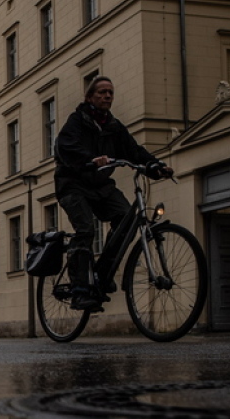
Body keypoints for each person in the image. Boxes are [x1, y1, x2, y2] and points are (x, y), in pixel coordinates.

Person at [54, 76, 172, 311]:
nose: (108, 96)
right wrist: (89, 160)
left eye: (111, 93)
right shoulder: (77, 121)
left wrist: (156, 166)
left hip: (100, 186)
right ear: (90, 97)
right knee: (86, 229)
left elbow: (134, 150)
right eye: (102, 92)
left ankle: (101, 274)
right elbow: (65, 146)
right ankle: (79, 290)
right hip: (73, 184)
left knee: (126, 220)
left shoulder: (114, 126)